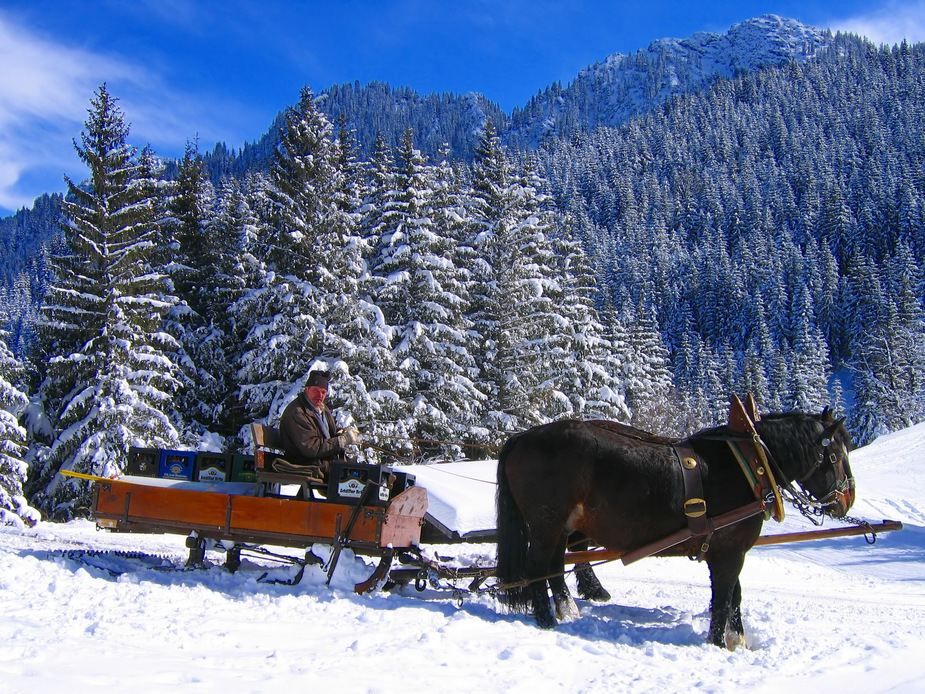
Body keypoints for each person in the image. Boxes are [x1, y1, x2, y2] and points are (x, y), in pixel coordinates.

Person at [278, 370, 360, 478]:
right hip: (305, 463)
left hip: (321, 461)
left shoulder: (322, 409)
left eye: (323, 392)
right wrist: (342, 440)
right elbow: (312, 447)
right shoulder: (297, 412)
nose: (320, 396)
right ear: (306, 390)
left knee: (363, 473)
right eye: (316, 391)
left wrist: (343, 433)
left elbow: (331, 433)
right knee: (356, 479)